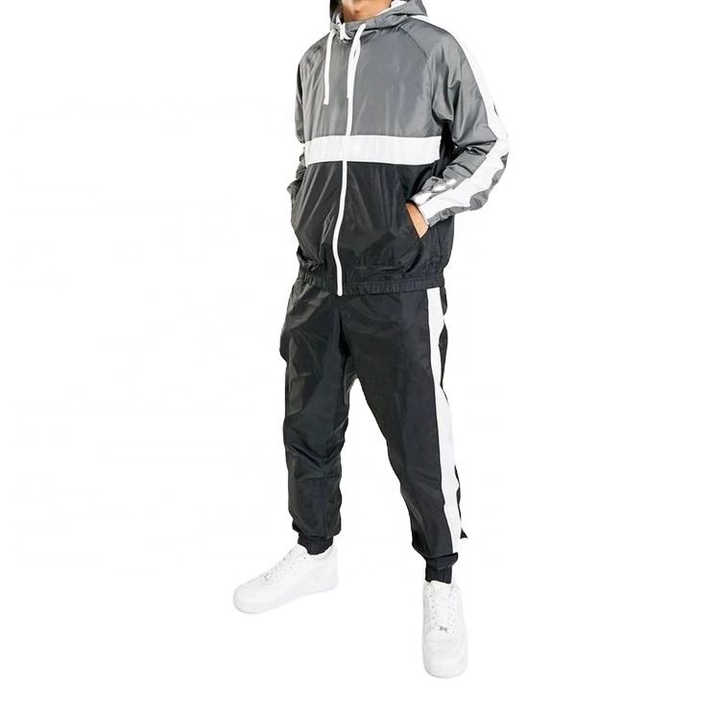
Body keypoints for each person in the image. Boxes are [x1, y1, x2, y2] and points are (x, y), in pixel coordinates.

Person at [233, 0, 508, 678]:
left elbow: (489, 148)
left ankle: (441, 578)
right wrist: (303, 212)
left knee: (419, 440)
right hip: (317, 283)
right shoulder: (313, 60)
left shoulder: (434, 48)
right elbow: (311, 159)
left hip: (398, 286)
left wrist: (419, 211)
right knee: (308, 425)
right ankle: (315, 551)